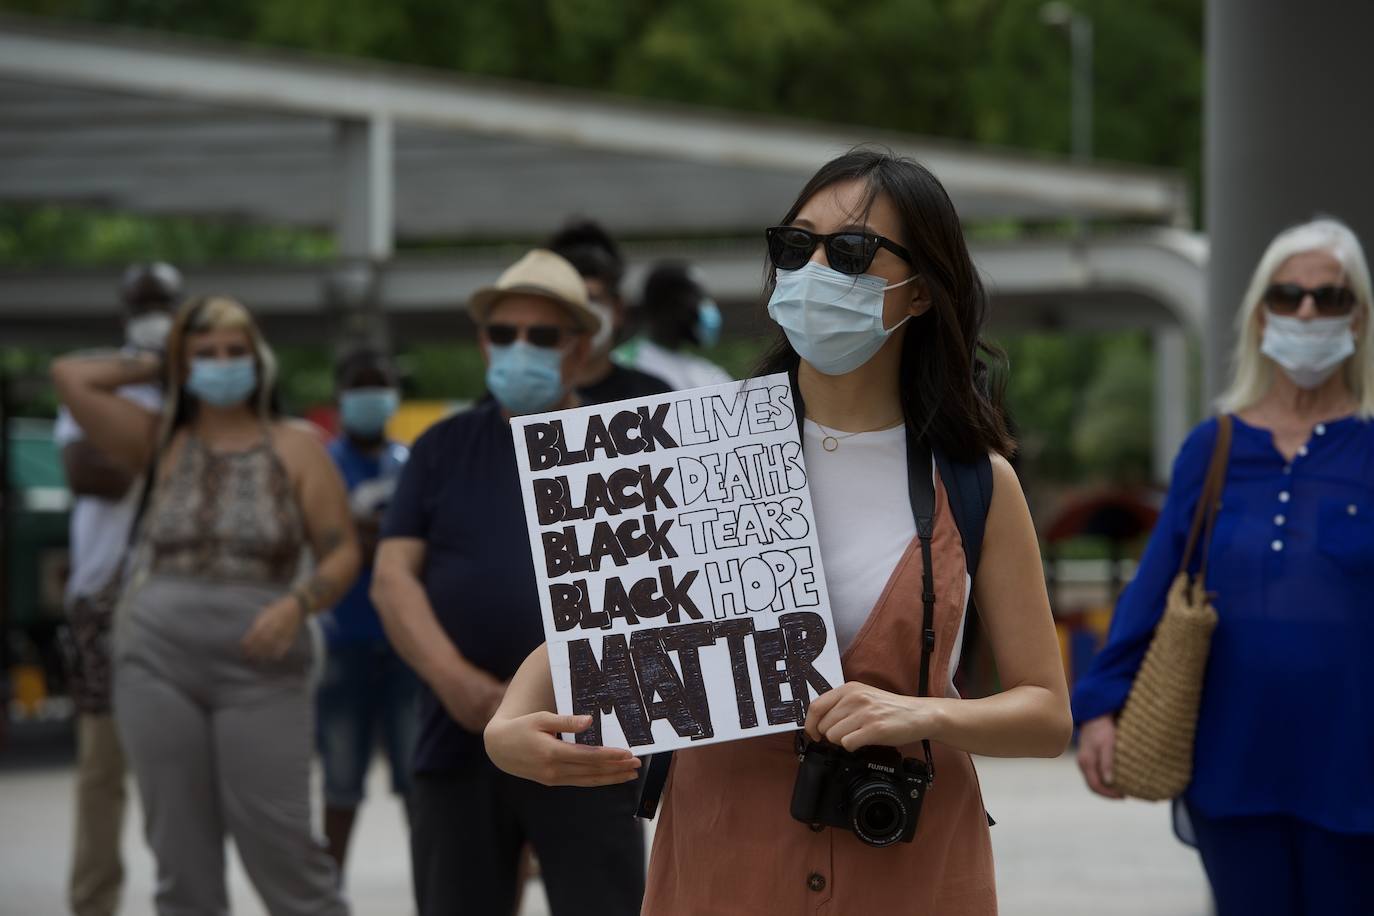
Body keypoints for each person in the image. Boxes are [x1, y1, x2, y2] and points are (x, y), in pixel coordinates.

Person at [484, 150, 1073, 914]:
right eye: (796, 247)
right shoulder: (696, 445)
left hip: (910, 872)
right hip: (724, 864)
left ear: (921, 293)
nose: (815, 270)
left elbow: (1046, 713)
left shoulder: (973, 480)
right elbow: (606, 628)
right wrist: (507, 725)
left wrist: (924, 713)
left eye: (851, 252)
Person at [1074, 217, 1374, 916]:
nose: (1306, 311)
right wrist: (1098, 708)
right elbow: (1153, 589)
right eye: (1288, 294)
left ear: (1357, 319)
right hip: (1231, 768)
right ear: (1260, 314)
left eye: (1328, 298)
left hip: (1356, 771)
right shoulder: (1212, 447)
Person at [51, 295, 358, 916]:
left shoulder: (298, 446)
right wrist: (157, 362)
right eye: (206, 353)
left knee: (284, 850)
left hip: (264, 664)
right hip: (156, 662)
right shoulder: (159, 438)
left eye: (234, 351)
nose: (222, 364)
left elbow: (342, 551)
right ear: (183, 365)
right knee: (180, 856)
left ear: (258, 358)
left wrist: (297, 605)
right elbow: (69, 376)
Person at [372, 249, 645, 916]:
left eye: (543, 336)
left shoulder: (625, 445)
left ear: (580, 349)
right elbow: (391, 577)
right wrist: (458, 682)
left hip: (592, 744)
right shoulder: (439, 448)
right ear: (483, 343)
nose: (519, 348)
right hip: (456, 743)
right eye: (503, 333)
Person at [57, 262, 178, 916]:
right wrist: (144, 380)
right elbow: (86, 472)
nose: (154, 311)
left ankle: (180, 897)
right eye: (144, 302)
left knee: (177, 768)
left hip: (176, 602)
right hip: (105, 599)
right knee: (102, 770)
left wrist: (131, 438)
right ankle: (93, 902)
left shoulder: (193, 386)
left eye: (164, 302)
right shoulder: (105, 379)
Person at [315, 348, 417, 876]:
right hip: (340, 643)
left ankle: (435, 894)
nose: (371, 395)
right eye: (361, 385)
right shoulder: (322, 464)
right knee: (340, 783)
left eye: (381, 385)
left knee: (422, 786)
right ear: (341, 397)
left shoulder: (410, 462)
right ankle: (325, 900)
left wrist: (362, 539)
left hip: (407, 647)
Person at [547, 219, 672, 403]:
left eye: (591, 298)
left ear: (618, 310)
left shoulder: (656, 397)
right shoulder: (516, 405)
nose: (581, 314)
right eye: (568, 301)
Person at [614, 260, 733, 390]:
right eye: (693, 302)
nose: (700, 311)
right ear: (663, 307)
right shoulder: (622, 364)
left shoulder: (709, 375)